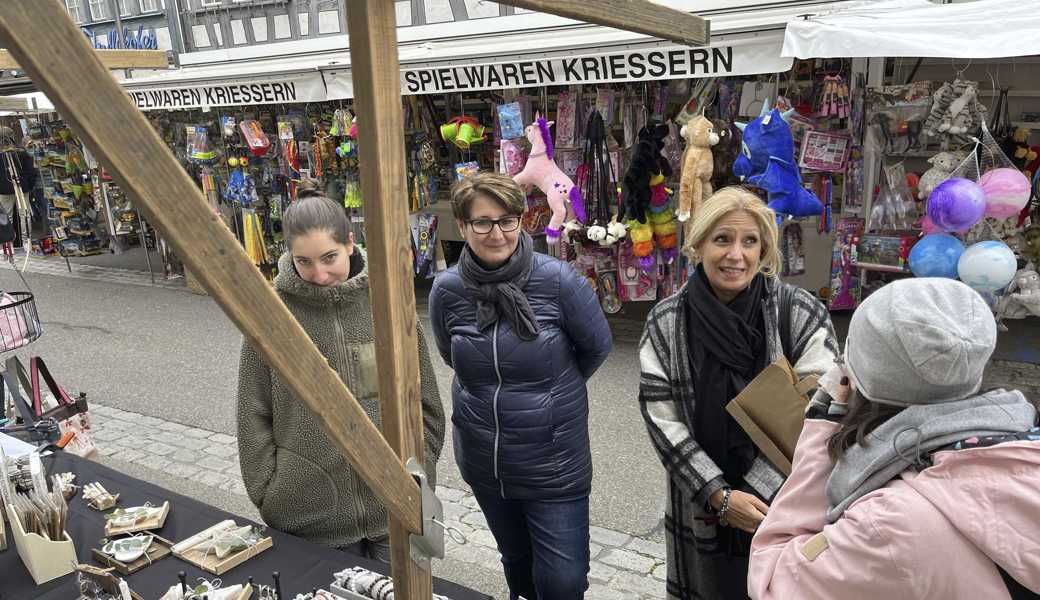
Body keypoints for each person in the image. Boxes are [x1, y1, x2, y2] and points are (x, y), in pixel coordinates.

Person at [749, 278, 1040, 599]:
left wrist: (822, 427)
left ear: (854, 377)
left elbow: (773, 579)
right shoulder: (1024, 452)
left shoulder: (887, 525)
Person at [637, 186, 838, 600]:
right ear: (698, 246)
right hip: (700, 504)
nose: (736, 255)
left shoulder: (797, 312)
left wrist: (755, 492)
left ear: (764, 249)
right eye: (722, 239)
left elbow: (822, 411)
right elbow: (663, 420)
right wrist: (719, 496)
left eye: (749, 241)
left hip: (786, 503)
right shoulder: (666, 322)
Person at [237, 179, 445, 561]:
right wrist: (272, 491)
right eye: (304, 261)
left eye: (329, 257)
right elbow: (253, 413)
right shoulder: (271, 317)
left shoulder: (388, 303)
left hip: (395, 509)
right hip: (308, 519)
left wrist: (422, 465)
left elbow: (425, 397)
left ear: (350, 243)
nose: (319, 274)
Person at [428, 172, 612, 600]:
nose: (497, 234)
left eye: (507, 220)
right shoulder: (448, 290)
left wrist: (550, 395)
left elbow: (596, 348)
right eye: (483, 222)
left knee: (563, 581)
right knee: (517, 563)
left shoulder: (559, 281)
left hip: (553, 461)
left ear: (521, 220)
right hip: (486, 461)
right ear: (463, 225)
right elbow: (451, 355)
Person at [0, 126, 37, 243]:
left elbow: (31, 171)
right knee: (24, 214)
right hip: (21, 186)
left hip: (6, 189)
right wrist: (29, 185)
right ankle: (26, 241)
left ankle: (9, 242)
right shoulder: (21, 152)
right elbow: (31, 171)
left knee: (7, 216)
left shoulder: (20, 153)